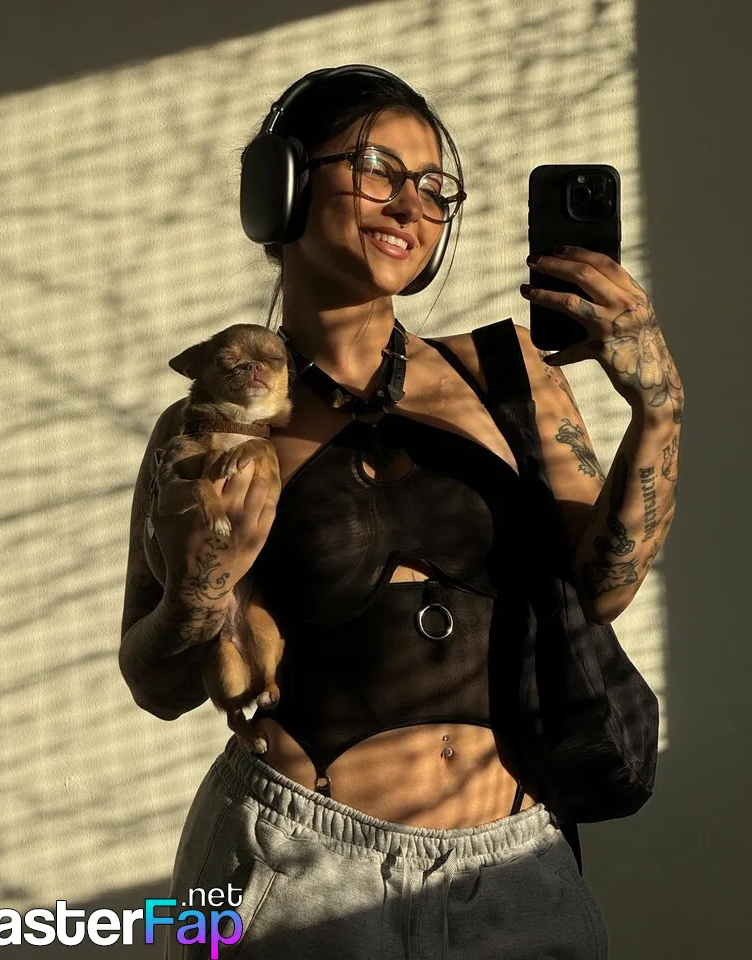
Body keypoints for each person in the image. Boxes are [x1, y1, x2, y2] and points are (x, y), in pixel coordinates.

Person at [120, 67, 680, 960]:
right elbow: (156, 684)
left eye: (433, 186)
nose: (410, 205)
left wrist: (657, 406)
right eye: (377, 168)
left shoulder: (509, 376)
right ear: (282, 184)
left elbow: (603, 592)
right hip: (297, 869)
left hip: (514, 867)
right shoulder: (218, 428)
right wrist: (199, 586)